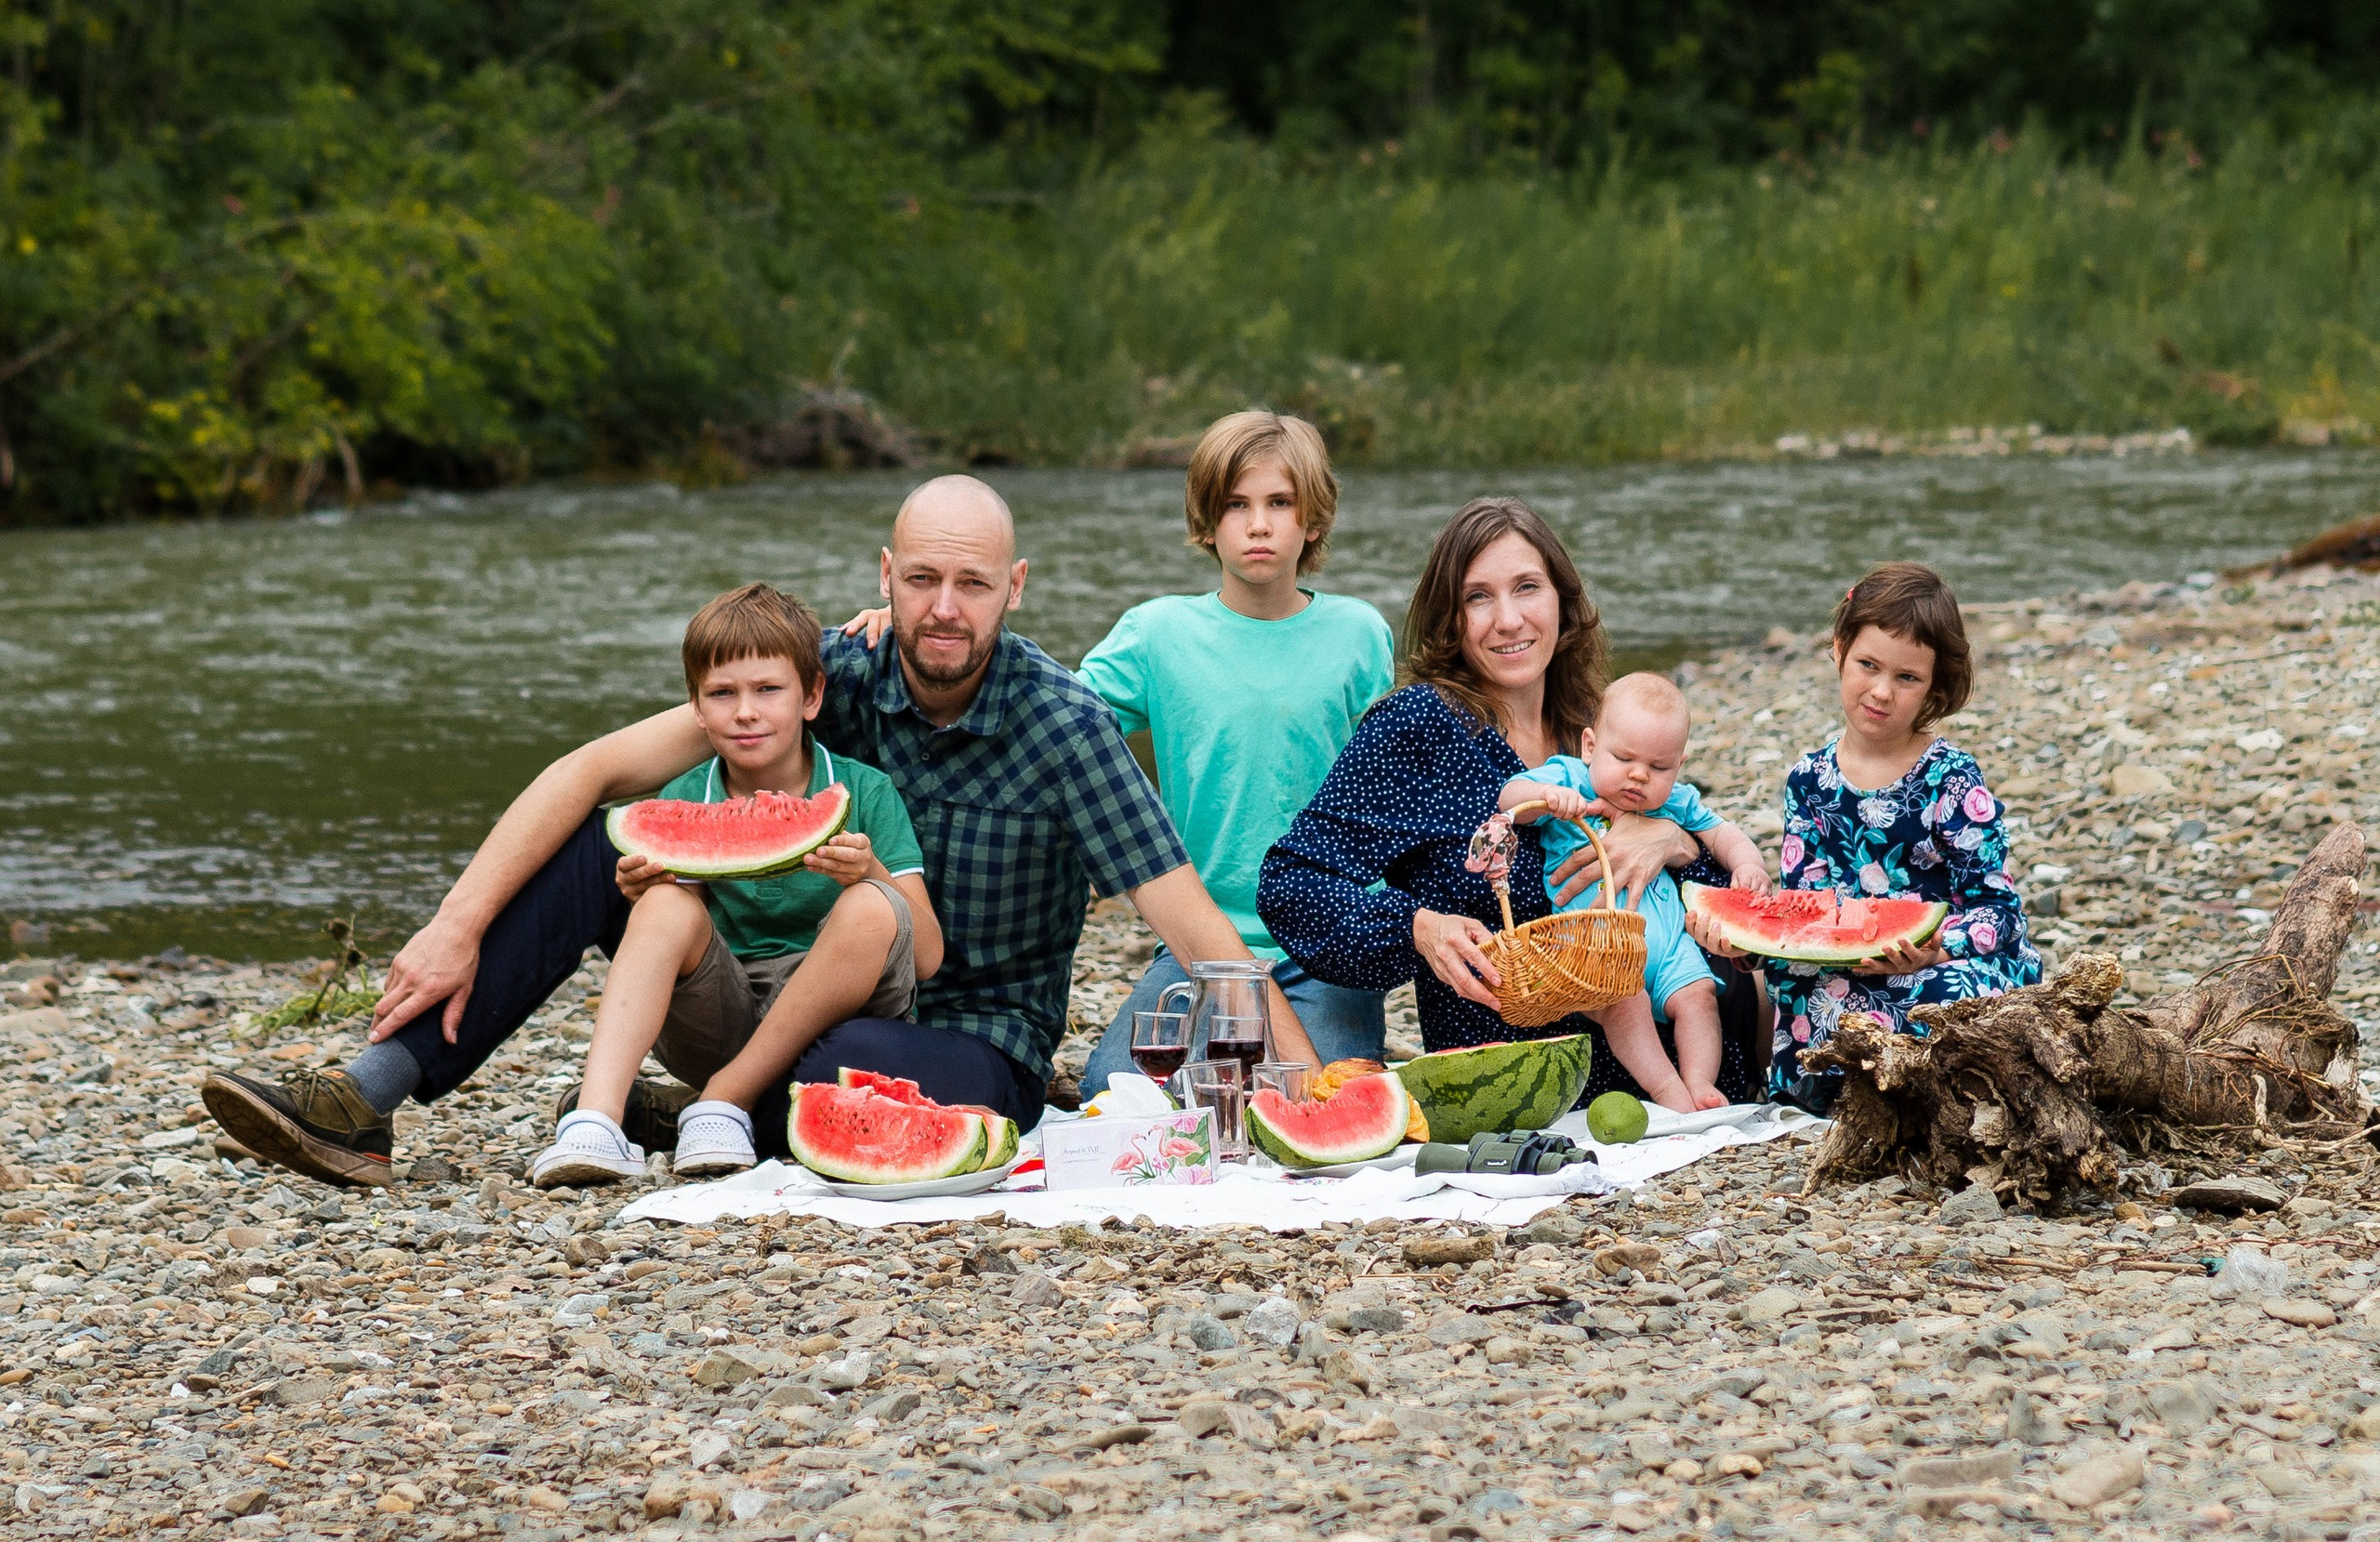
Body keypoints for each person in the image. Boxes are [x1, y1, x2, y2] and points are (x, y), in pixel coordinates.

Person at [201, 475, 1312, 1187]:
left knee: (836, 1070)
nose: (942, 608)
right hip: (760, 990)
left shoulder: (1063, 726)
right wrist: (454, 925)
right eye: (919, 577)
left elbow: (1198, 930)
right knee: (611, 842)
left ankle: (694, 1108)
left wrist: (1307, 1095)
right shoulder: (829, 671)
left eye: (971, 584)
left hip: (971, 1037)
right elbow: (588, 767)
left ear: (1012, 588)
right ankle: (368, 1096)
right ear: (885, 575)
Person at [1258, 495, 1765, 1104]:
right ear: (1450, 618)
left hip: (1689, 1097)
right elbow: (1290, 883)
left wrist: (1672, 842)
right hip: (1522, 1107)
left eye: (1527, 587)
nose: (1508, 618)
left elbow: (1719, 895)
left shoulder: (1597, 727)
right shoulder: (1418, 728)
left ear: (1561, 600)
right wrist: (1417, 929)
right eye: (1479, 596)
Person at [530, 584, 940, 1188]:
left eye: (767, 689)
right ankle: (595, 1120)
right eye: (722, 694)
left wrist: (871, 871)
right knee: (665, 902)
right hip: (720, 1018)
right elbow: (681, 937)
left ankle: (725, 1099)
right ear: (697, 709)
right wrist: (651, 888)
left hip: (839, 1028)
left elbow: (928, 956)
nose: (745, 711)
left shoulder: (865, 791)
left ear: (812, 696)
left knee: (871, 907)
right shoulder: (682, 795)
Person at [1073, 412, 1395, 1087]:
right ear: (1207, 522)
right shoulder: (1157, 632)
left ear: (1312, 521)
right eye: (1236, 505)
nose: (1257, 524)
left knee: (1319, 1092)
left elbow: (1391, 789)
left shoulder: (1360, 633)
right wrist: (916, 632)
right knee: (1114, 1091)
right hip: (1198, 946)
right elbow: (1056, 715)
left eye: (1280, 503)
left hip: (1326, 944)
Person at [1687, 560, 2038, 1113]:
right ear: (1838, 651)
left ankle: (1904, 1090)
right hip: (1841, 972)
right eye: (1867, 665)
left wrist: (1932, 948)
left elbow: (2000, 912)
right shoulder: (1809, 780)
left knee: (1955, 998)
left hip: (1937, 968)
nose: (1880, 692)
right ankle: (1848, 1091)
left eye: (1907, 678)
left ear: (1934, 687)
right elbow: (1806, 914)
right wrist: (1747, 950)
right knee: (1803, 987)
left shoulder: (1952, 779)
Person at [1498, 671, 1768, 1113]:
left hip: (1668, 945)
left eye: (1658, 767)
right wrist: (1546, 795)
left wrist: (1748, 864)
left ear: (1677, 766)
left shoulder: (1673, 800)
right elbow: (1510, 796)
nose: (1639, 776)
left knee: (1699, 995)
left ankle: (1699, 1082)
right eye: (1623, 758)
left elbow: (1722, 834)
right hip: (1592, 945)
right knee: (1627, 1004)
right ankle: (1667, 1091)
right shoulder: (1571, 778)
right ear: (1590, 746)